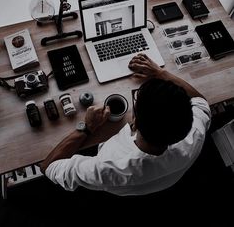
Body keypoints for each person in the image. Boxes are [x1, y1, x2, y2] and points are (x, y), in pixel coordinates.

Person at [39, 53, 211, 196]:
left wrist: (87, 127)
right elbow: (200, 102)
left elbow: (48, 167)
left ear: (134, 123)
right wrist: (160, 72)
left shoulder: (107, 168)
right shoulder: (193, 136)